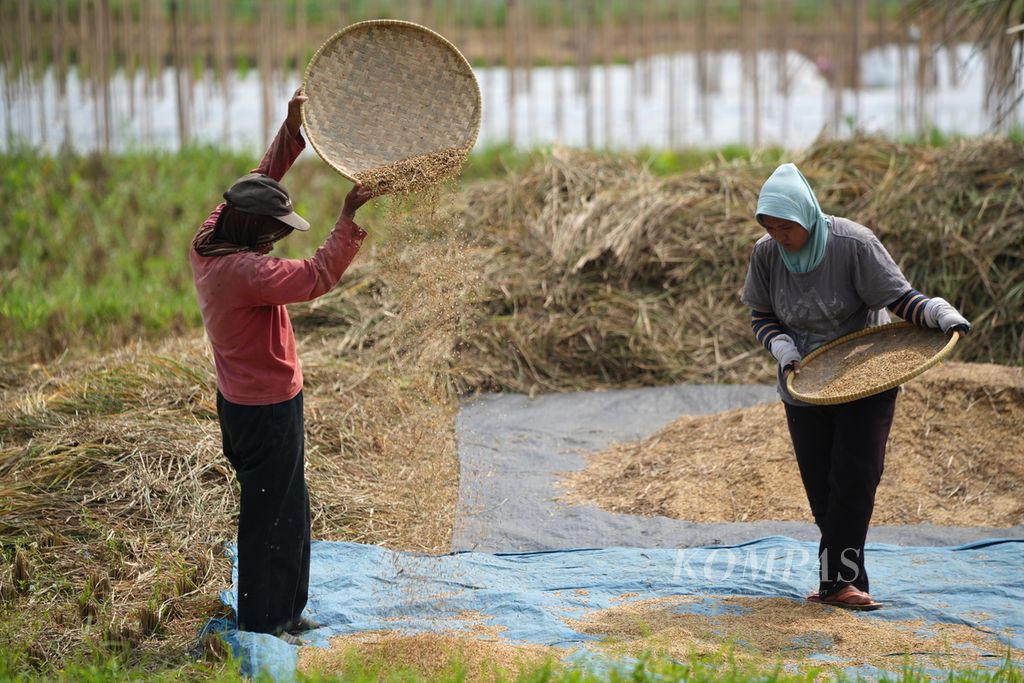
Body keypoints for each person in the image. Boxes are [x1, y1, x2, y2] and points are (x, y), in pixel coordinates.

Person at [741, 163, 969, 611]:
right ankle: (838, 583)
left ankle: (839, 583)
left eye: (787, 226)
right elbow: (761, 315)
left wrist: (939, 314)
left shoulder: (854, 244)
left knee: (855, 477)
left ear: (807, 217)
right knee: (821, 485)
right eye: (771, 226)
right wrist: (783, 348)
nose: (780, 236)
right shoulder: (767, 254)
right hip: (804, 380)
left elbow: (899, 299)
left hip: (866, 374)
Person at [190, 90, 374, 642]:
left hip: (252, 402)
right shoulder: (245, 273)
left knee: (288, 511)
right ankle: (269, 622)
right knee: (273, 517)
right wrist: (348, 217)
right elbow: (318, 275)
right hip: (264, 411)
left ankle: (286, 611)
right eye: (274, 231)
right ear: (253, 233)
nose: (278, 238)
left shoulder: (213, 236)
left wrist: (292, 130)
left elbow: (257, 179)